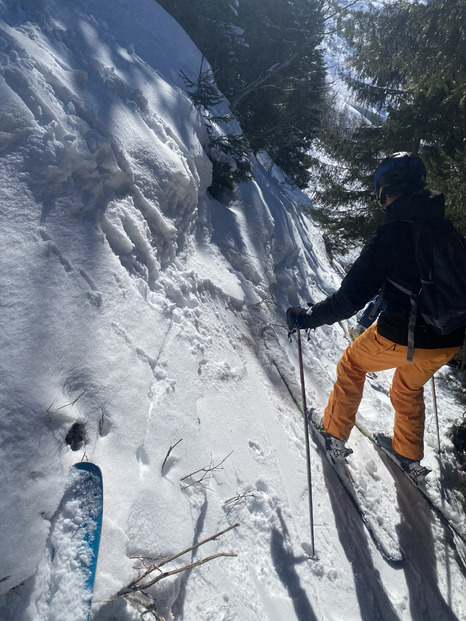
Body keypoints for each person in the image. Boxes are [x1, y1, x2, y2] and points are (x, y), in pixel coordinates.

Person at [286, 152, 465, 473]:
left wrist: (306, 317)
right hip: (449, 339)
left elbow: (349, 299)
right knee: (408, 386)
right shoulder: (446, 230)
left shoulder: (392, 234)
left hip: (406, 334)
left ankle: (333, 433)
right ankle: (407, 454)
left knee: (353, 363)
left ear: (386, 191)